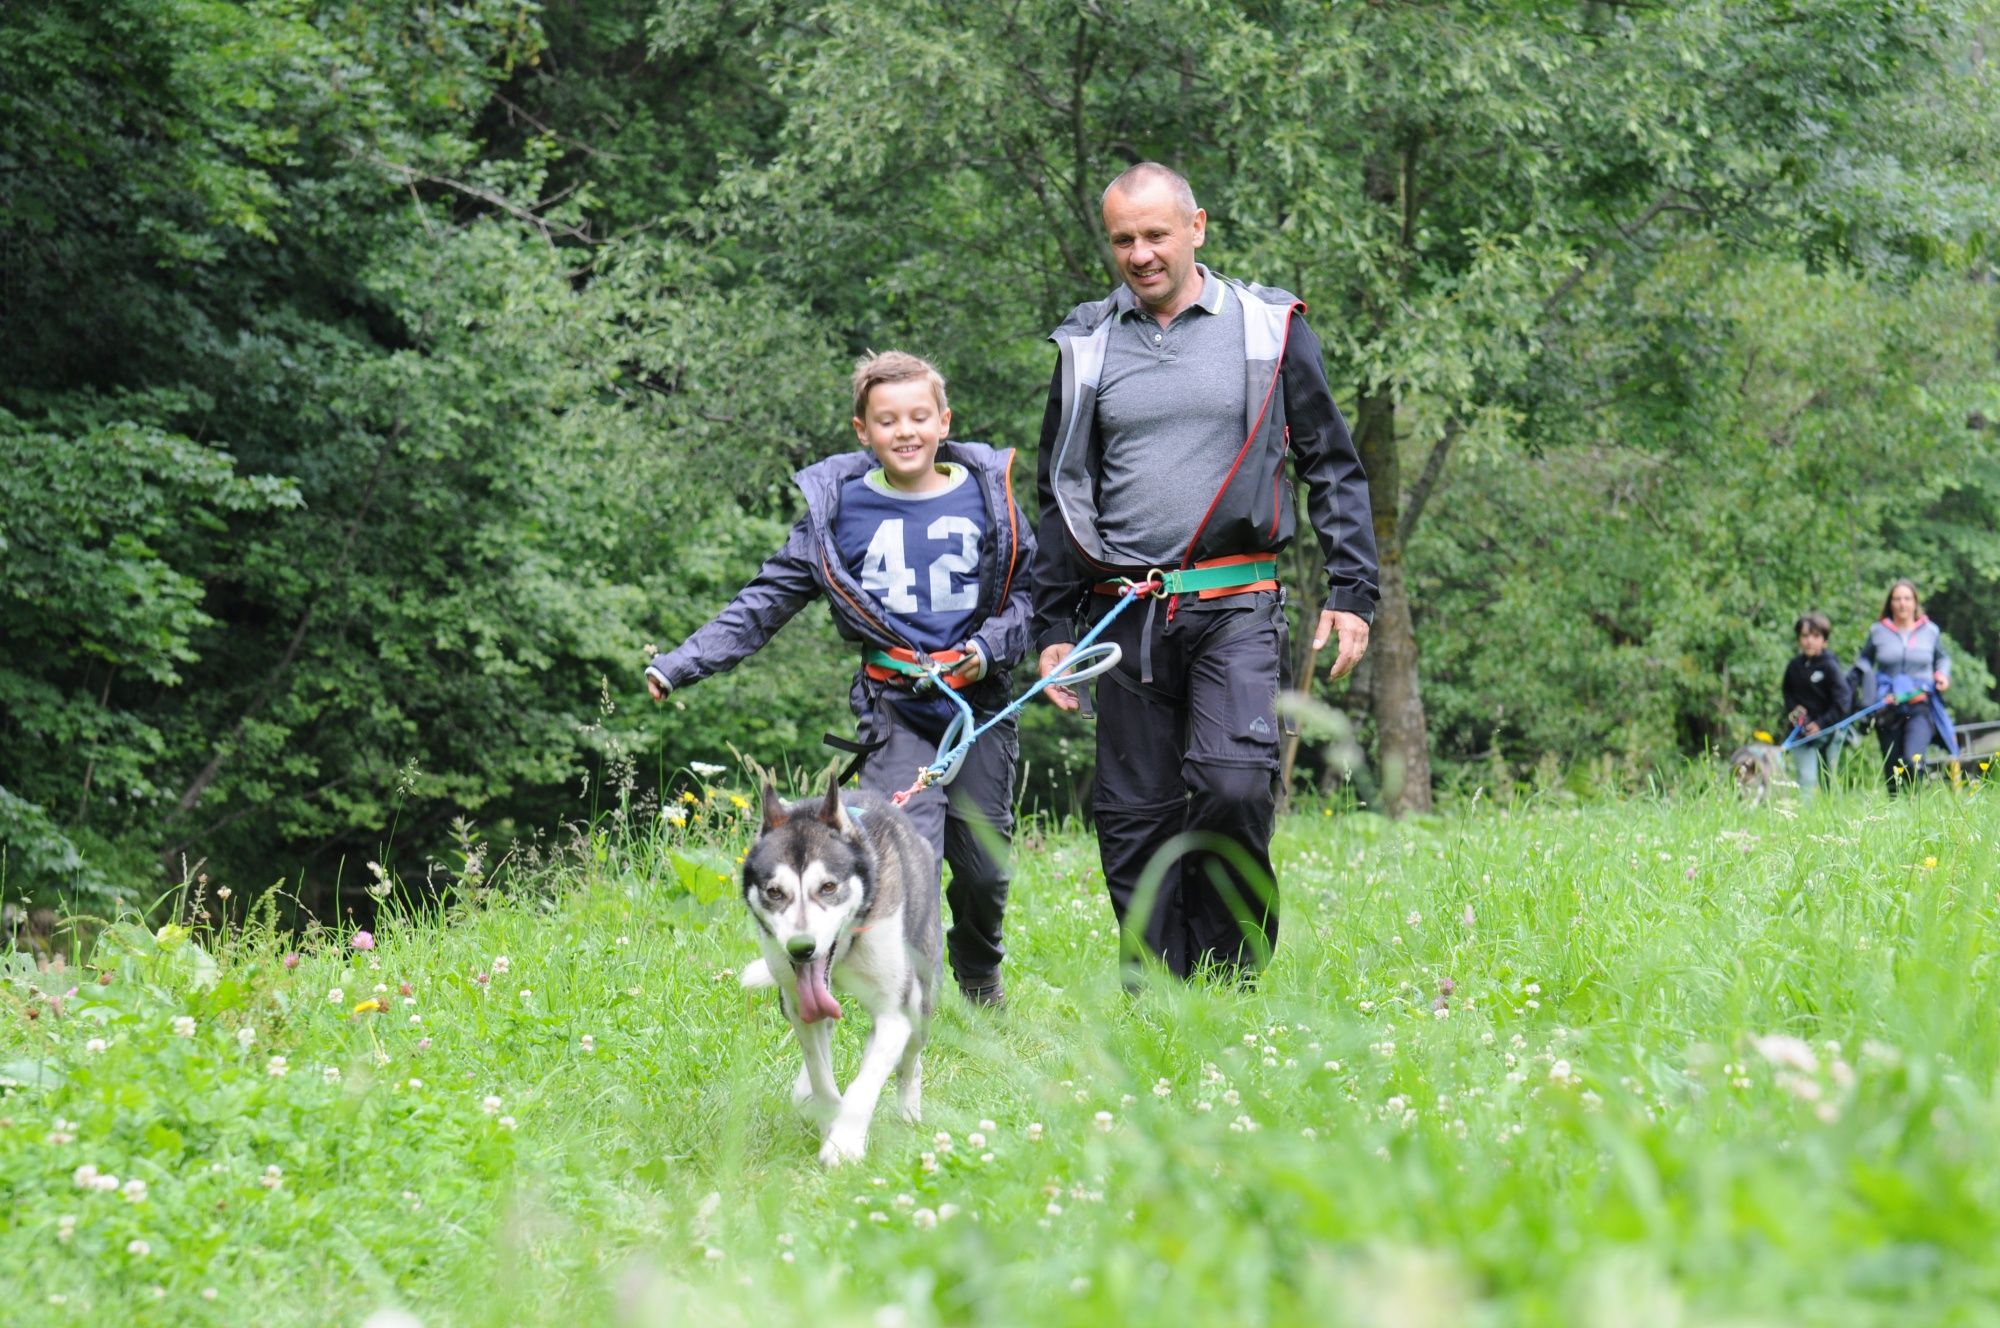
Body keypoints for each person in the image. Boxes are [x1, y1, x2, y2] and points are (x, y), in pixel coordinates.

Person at [1031, 162, 1379, 984]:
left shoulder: (1269, 326)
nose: (1141, 254)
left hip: (1236, 604)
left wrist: (1352, 591)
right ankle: (1159, 997)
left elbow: (1332, 462)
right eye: (1124, 239)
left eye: (1157, 234)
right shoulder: (1087, 346)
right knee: (1134, 819)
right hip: (1124, 618)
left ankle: (1228, 983)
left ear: (1198, 227)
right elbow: (1059, 491)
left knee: (1232, 787)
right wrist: (1051, 628)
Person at [646, 351, 1033, 1007]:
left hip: (981, 709)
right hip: (895, 712)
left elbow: (1029, 602)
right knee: (903, 865)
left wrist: (989, 649)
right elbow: (763, 601)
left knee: (983, 870)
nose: (905, 432)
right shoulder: (838, 514)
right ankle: (905, 995)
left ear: (944, 421)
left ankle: (979, 970)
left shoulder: (991, 501)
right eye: (887, 421)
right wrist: (681, 662)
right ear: (863, 432)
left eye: (918, 417)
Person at [1856, 578, 1958, 792]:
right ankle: (1894, 816)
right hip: (1887, 707)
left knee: (1913, 760)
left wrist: (1942, 675)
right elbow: (1864, 660)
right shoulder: (1878, 631)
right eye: (1897, 599)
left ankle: (1916, 803)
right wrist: (1869, 682)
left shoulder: (1930, 630)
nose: (1902, 603)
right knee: (1893, 769)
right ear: (1890, 603)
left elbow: (1943, 658)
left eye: (1907, 598)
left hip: (1920, 706)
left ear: (1915, 602)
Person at [1780, 611, 1851, 802]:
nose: (1809, 641)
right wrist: (1794, 710)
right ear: (1798, 639)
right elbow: (1787, 693)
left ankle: (1834, 821)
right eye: (1805, 636)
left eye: (1815, 636)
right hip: (1802, 734)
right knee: (1806, 780)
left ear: (1824, 640)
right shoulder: (1794, 667)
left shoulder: (1830, 666)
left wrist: (1821, 724)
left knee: (1831, 780)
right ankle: (1804, 821)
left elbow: (1843, 700)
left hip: (1830, 732)